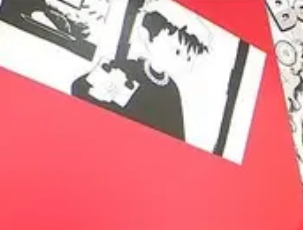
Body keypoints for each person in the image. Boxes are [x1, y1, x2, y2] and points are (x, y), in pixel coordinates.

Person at [71, 0, 210, 140]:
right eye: (177, 51)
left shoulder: (172, 90)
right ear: (147, 36)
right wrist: (96, 94)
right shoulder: (125, 68)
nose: (181, 61)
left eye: (189, 58)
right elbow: (79, 88)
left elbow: (177, 138)